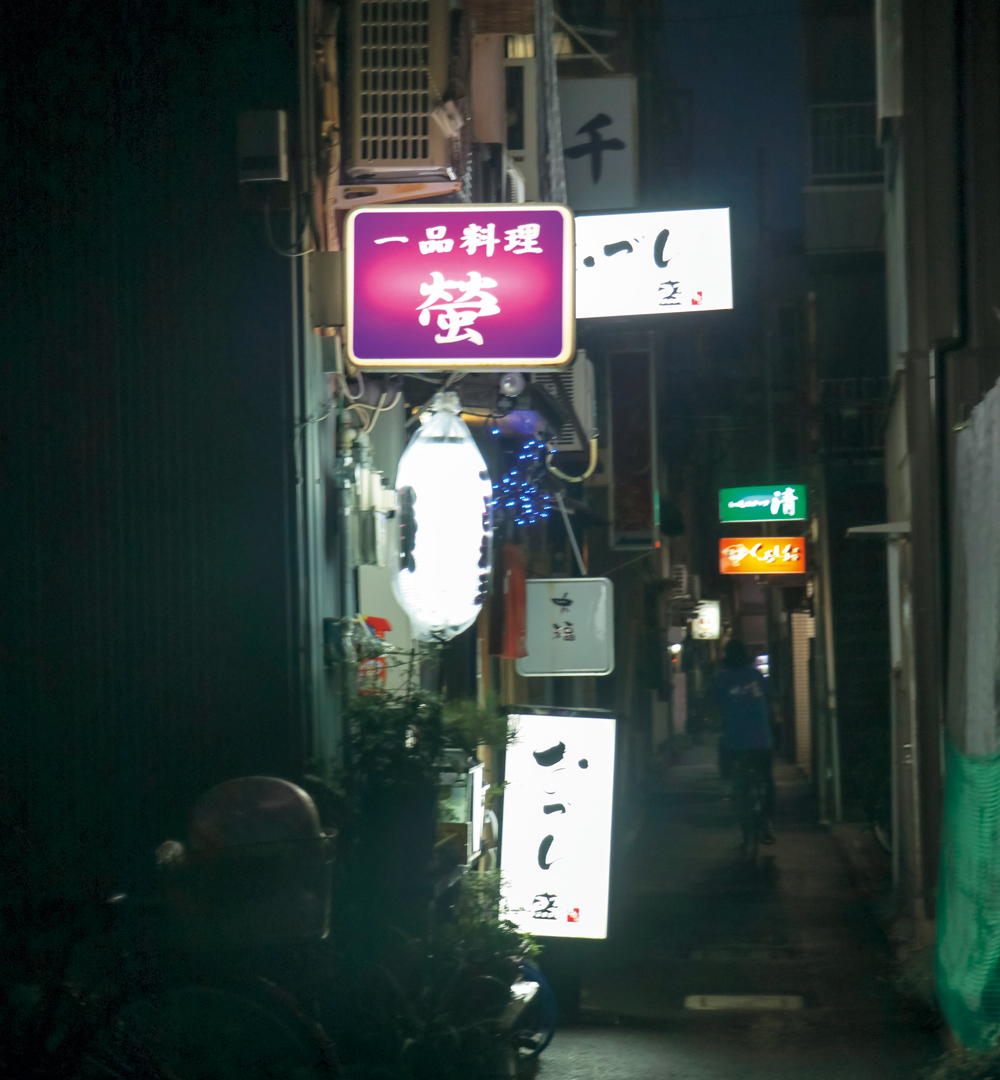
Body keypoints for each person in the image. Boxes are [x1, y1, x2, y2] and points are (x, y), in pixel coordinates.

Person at [710, 638, 776, 844]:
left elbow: (711, 704)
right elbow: (772, 699)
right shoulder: (757, 676)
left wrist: (716, 719)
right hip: (761, 740)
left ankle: (735, 793)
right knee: (767, 781)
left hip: (734, 741)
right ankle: (766, 824)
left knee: (731, 772)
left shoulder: (721, 679)